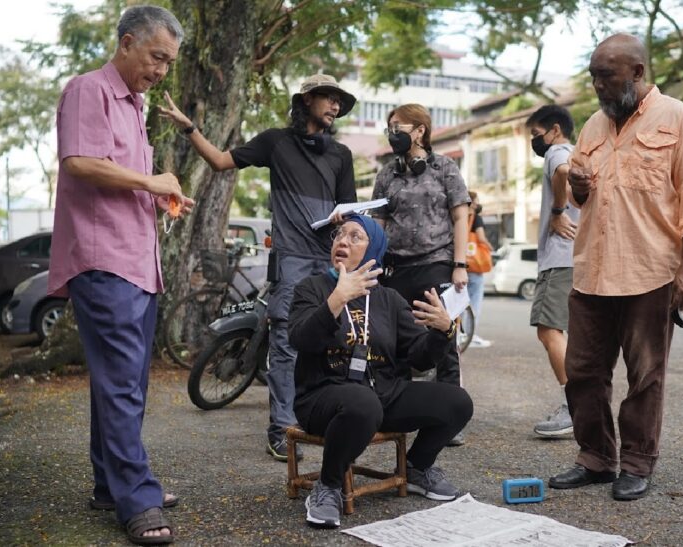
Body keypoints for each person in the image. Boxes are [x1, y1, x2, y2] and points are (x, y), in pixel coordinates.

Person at [548, 33, 683, 501]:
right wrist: (577, 186)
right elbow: (582, 197)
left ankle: (638, 463)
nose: (598, 86)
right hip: (592, 272)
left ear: (638, 73)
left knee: (645, 375)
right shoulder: (592, 127)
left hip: (651, 273)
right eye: (593, 76)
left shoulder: (680, 121)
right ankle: (596, 458)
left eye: (607, 76)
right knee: (582, 371)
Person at [47, 6, 191, 545]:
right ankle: (137, 499)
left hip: (135, 260)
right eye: (156, 57)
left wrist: (161, 196)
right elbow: (80, 162)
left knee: (122, 384)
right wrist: (153, 181)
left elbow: (127, 181)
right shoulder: (90, 90)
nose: (161, 70)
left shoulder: (136, 105)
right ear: (126, 43)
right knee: (121, 386)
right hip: (103, 260)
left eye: (168, 63)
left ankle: (111, 485)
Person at [158, 74, 358, 461]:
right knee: (285, 346)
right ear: (305, 101)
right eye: (328, 98)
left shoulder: (341, 155)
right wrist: (190, 129)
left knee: (329, 344)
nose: (335, 106)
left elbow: (347, 211)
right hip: (291, 262)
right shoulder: (276, 143)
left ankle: (316, 417)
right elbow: (219, 162)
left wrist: (343, 227)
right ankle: (281, 430)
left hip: (328, 263)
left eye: (339, 101)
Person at [288, 215, 474, 528]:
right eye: (339, 235)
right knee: (362, 403)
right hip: (323, 397)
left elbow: (420, 358)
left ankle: (417, 467)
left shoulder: (389, 299)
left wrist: (442, 332)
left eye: (355, 236)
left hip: (383, 395)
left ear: (373, 249)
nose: (342, 241)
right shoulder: (313, 288)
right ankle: (328, 486)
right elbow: (300, 338)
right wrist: (337, 299)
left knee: (457, 402)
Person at [370, 104, 470, 446]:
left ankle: (450, 417)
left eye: (398, 126)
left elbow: (460, 217)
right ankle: (396, 410)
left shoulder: (445, 168)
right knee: (395, 342)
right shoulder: (387, 175)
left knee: (444, 341)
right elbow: (379, 224)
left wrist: (460, 264)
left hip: (437, 262)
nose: (392, 133)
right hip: (396, 268)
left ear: (419, 131)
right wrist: (374, 263)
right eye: (389, 128)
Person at [524, 105, 580, 438]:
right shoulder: (582, 152)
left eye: (535, 135)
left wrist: (558, 211)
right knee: (575, 335)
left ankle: (575, 406)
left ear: (554, 130)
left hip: (560, 258)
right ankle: (583, 403)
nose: (536, 143)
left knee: (548, 330)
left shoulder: (557, 151)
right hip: (580, 258)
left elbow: (561, 174)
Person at [466, 191, 493, 348]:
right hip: (475, 267)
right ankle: (471, 334)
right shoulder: (476, 218)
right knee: (474, 303)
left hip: (462, 265)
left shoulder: (457, 216)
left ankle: (461, 334)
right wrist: (489, 247)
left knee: (461, 304)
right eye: (476, 201)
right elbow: (481, 238)